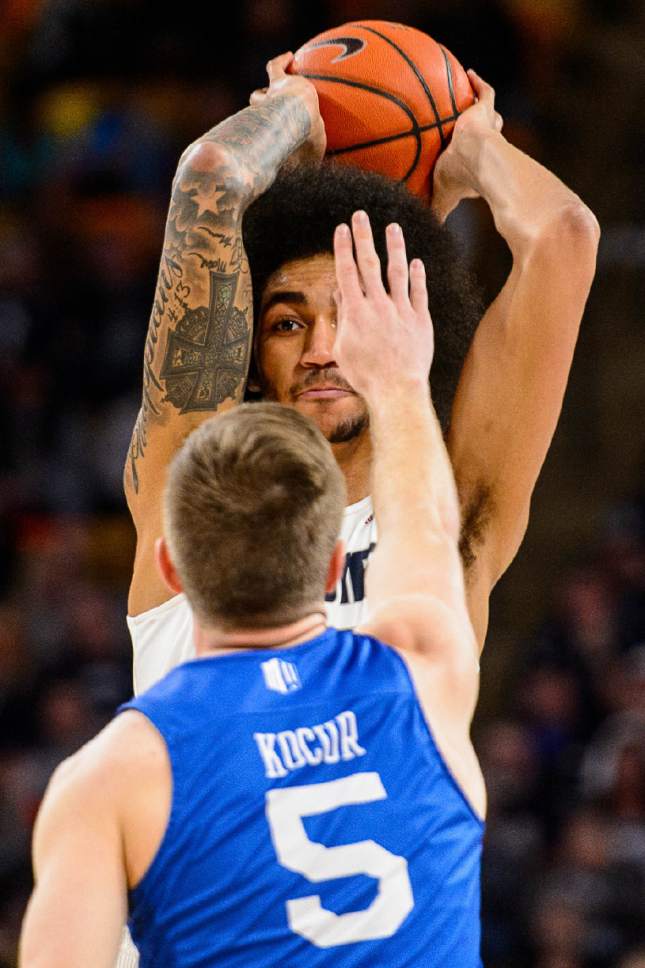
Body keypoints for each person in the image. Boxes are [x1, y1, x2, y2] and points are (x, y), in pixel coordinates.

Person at [20, 215, 485, 966]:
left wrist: (270, 124)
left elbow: (208, 169)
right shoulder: (423, 670)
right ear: (335, 565)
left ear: (171, 568)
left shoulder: (112, 777)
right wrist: (399, 381)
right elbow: (426, 527)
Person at [123, 52, 599, 695]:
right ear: (251, 362)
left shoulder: (448, 517)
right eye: (287, 324)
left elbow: (563, 236)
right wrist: (289, 112)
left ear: (402, 335)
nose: (323, 347)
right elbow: (212, 180)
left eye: (353, 317)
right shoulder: (192, 501)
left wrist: (475, 146)